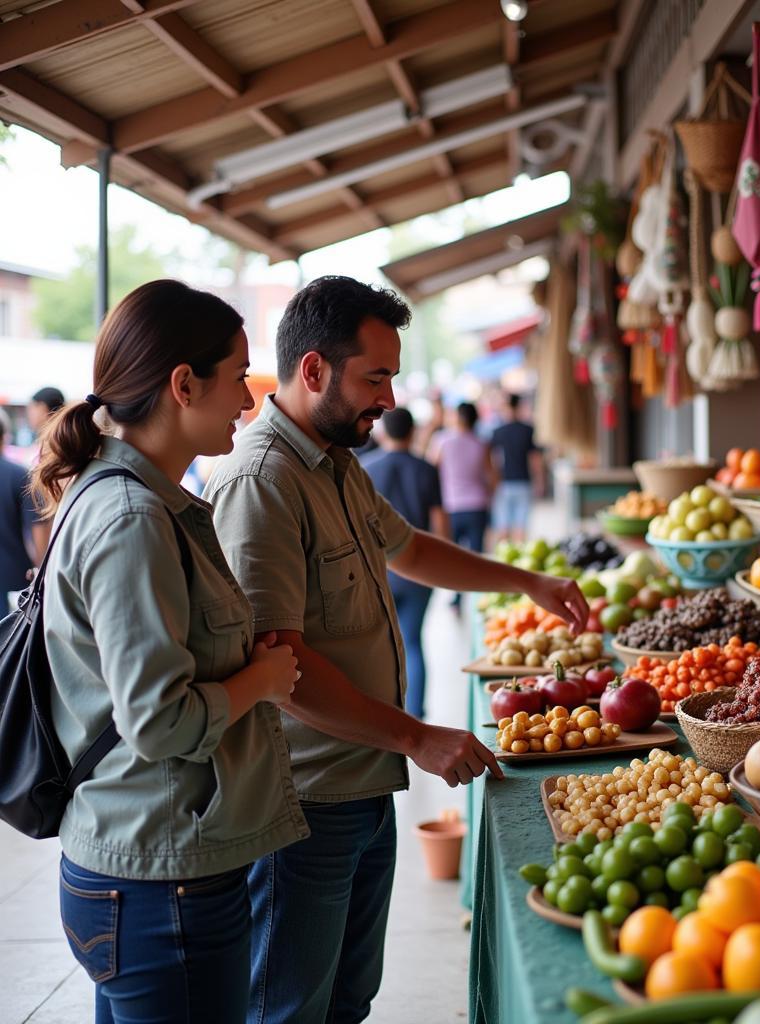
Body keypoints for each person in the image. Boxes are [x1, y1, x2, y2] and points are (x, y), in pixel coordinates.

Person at [203, 275, 587, 1024]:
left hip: (360, 784)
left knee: (346, 998)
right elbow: (282, 669)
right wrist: (417, 736)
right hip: (301, 804)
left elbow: (409, 549)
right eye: (374, 377)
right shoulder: (262, 480)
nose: (388, 397)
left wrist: (528, 581)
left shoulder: (335, 461)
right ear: (314, 371)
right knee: (288, 1008)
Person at [32, 280, 307, 1024]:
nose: (249, 405)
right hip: (160, 881)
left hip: (147, 870)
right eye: (238, 379)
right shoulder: (131, 517)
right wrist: (262, 679)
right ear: (183, 384)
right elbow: (158, 722)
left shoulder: (138, 499)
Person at [362, 407, 447, 719]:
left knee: (379, 645)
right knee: (412, 641)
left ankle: (387, 711)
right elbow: (440, 523)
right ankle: (415, 714)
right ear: (413, 432)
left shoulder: (365, 468)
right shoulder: (426, 469)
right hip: (417, 571)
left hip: (377, 571)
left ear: (384, 431)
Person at [434, 401, 494, 607]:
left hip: (451, 505)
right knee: (475, 556)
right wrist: (487, 495)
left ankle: (457, 598)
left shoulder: (442, 441)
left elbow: (432, 469)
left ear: (458, 417)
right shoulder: (481, 443)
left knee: (453, 556)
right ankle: (478, 599)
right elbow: (493, 475)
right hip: (477, 505)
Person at [489, 392, 544, 544]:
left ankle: (503, 561)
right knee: (521, 526)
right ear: (518, 406)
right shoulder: (527, 430)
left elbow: (493, 462)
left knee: (503, 527)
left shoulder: (498, 432)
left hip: (504, 483)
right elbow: (535, 459)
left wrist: (492, 483)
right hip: (524, 482)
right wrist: (540, 482)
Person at [0, 407, 40, 608]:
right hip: (14, 578)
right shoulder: (20, 475)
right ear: (4, 437)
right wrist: (42, 569)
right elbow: (36, 530)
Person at [27, 386, 65, 551]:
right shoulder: (59, 438)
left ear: (42, 408)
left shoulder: (54, 443)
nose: (29, 414)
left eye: (31, 408)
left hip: (54, 527)